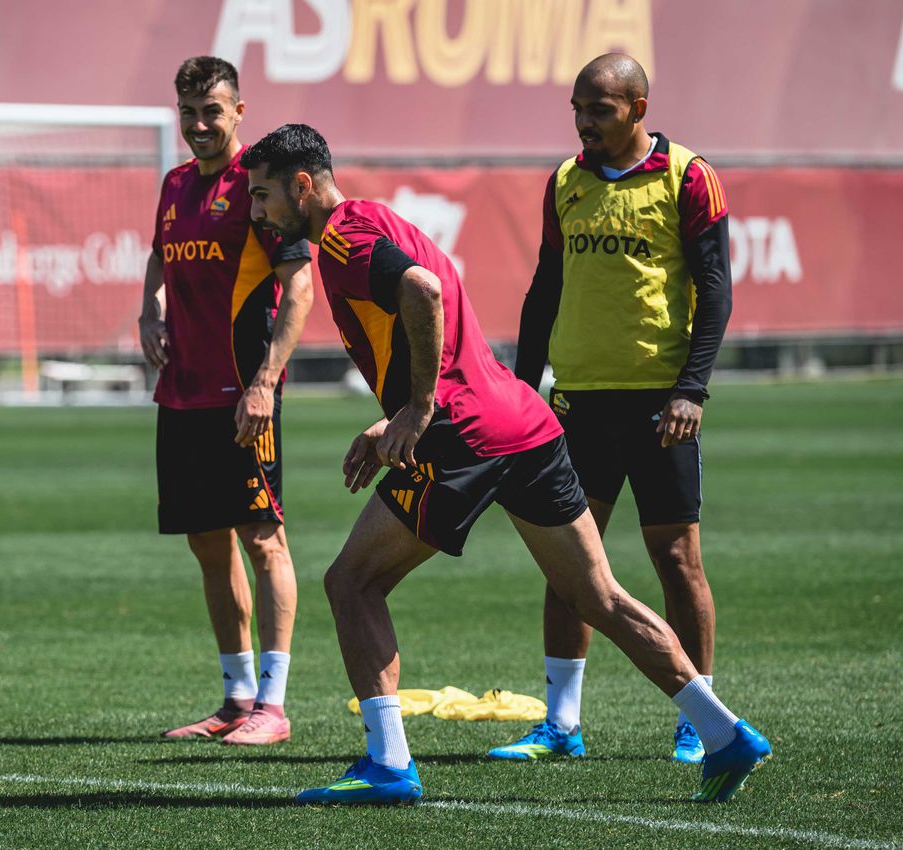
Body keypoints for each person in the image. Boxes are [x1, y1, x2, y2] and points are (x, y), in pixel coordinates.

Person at [240, 123, 768, 804]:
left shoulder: (341, 238)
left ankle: (389, 765)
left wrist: (420, 409)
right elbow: (431, 316)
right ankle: (724, 734)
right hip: (522, 420)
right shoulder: (375, 218)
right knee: (599, 597)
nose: (256, 211)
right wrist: (398, 412)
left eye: (262, 196)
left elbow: (424, 293)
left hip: (464, 436)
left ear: (302, 186)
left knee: (351, 582)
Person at [489, 54, 733, 766]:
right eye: (577, 108)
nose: (583, 122)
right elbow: (544, 289)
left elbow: (715, 289)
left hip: (660, 402)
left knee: (677, 558)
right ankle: (561, 724)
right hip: (577, 403)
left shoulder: (688, 176)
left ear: (637, 106)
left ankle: (699, 717)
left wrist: (692, 388)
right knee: (570, 562)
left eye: (598, 108)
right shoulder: (566, 182)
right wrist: (520, 388)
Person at [139, 57, 314, 746]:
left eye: (211, 111)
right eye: (188, 112)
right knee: (208, 544)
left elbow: (298, 285)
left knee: (264, 540)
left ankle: (274, 705)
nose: (199, 125)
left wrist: (266, 381)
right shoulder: (176, 183)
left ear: (239, 110)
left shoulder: (259, 186)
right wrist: (150, 312)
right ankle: (237, 698)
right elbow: (159, 257)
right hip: (180, 394)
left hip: (243, 395)